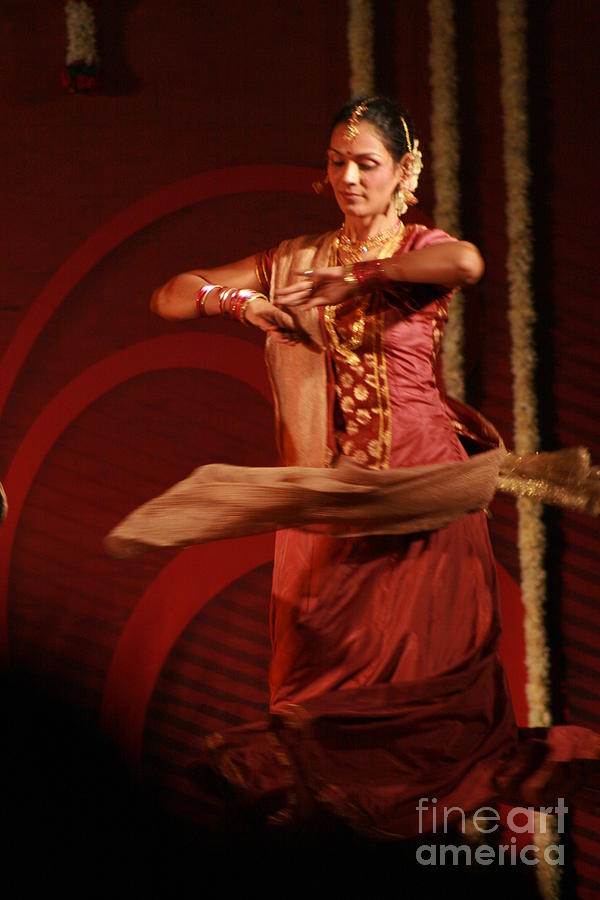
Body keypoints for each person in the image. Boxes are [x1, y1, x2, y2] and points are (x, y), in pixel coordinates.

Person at [106, 96, 599, 838]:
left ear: (405, 171)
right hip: (332, 502)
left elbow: (466, 260)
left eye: (367, 163)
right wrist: (238, 303)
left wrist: (364, 279)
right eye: (337, 162)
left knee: (428, 693)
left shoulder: (420, 248)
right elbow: (171, 293)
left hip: (420, 491)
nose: (348, 177)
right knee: (320, 688)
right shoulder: (297, 256)